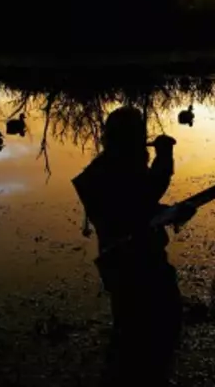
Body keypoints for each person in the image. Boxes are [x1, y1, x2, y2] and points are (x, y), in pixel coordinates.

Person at [72, 106, 196, 387]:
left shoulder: (110, 168)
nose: (145, 141)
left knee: (131, 336)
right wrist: (165, 159)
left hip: (123, 267)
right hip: (137, 266)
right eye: (139, 134)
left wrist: (170, 212)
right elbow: (141, 201)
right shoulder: (115, 171)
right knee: (152, 330)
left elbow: (140, 207)